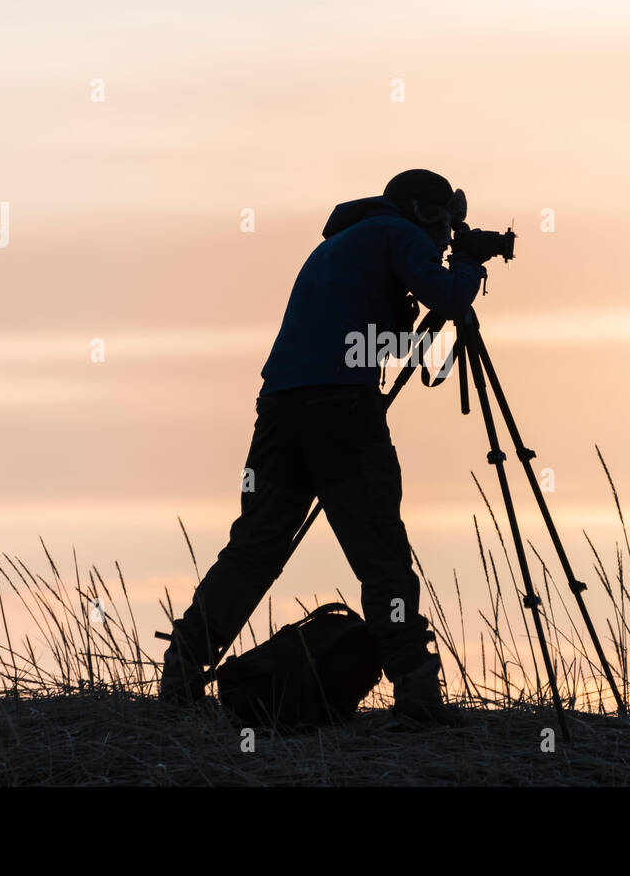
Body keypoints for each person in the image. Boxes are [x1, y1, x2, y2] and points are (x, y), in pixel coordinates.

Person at [160, 169, 501, 724]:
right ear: (424, 211)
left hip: (280, 411)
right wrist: (467, 265)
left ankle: (181, 671)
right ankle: (417, 694)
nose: (445, 237)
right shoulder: (400, 235)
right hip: (342, 412)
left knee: (255, 547)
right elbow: (446, 294)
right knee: (382, 556)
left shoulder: (344, 244)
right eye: (445, 223)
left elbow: (377, 341)